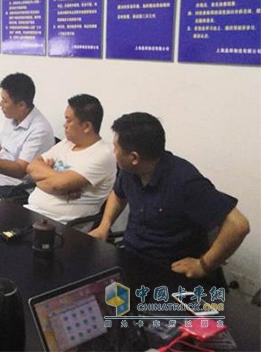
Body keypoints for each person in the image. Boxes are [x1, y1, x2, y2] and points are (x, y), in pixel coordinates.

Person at [89, 112, 250, 280]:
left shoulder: (185, 181)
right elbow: (118, 195)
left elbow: (238, 225)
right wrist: (104, 225)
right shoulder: (129, 170)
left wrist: (203, 265)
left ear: (134, 157)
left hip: (167, 269)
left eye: (116, 148)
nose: (113, 152)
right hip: (130, 257)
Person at [26, 94, 116, 224]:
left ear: (86, 126)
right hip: (31, 211)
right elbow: (32, 167)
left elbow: (58, 185)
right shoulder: (67, 143)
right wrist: (58, 182)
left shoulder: (104, 154)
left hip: (61, 225)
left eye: (68, 120)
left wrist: (43, 179)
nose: (64, 125)